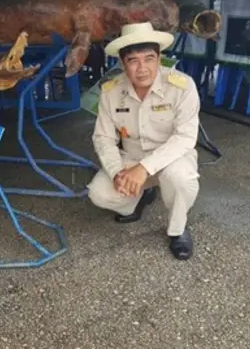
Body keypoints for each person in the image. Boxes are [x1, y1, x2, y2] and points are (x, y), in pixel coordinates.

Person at [86, 22, 201, 260]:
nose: (142, 68)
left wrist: (144, 169)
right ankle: (137, 199)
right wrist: (117, 172)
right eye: (133, 61)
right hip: (131, 157)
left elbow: (185, 137)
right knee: (99, 193)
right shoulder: (111, 91)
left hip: (172, 158)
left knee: (181, 179)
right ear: (122, 62)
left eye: (149, 59)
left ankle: (178, 229)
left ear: (159, 58)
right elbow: (103, 137)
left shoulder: (182, 86)